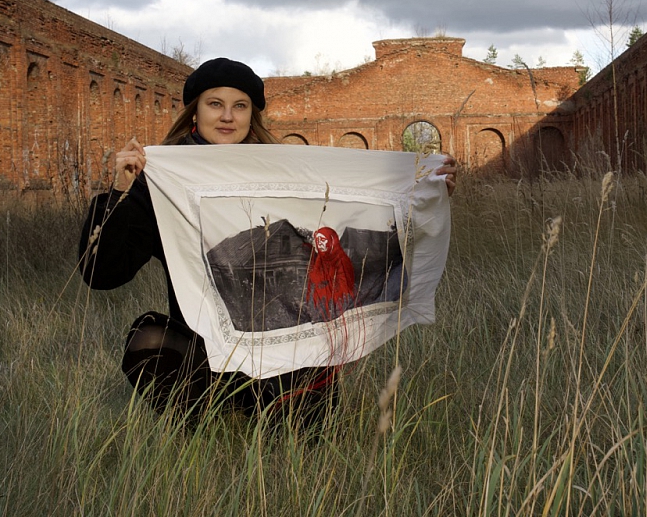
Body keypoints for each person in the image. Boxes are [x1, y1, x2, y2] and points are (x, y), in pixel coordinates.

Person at [78, 57, 458, 425]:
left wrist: (423, 196)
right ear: (195, 112)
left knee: (305, 433)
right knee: (148, 341)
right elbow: (102, 273)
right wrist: (120, 193)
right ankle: (202, 424)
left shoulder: (287, 177)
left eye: (239, 106)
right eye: (215, 104)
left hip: (290, 354)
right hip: (208, 352)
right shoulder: (163, 183)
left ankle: (279, 403)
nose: (227, 116)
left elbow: (355, 217)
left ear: (251, 115)